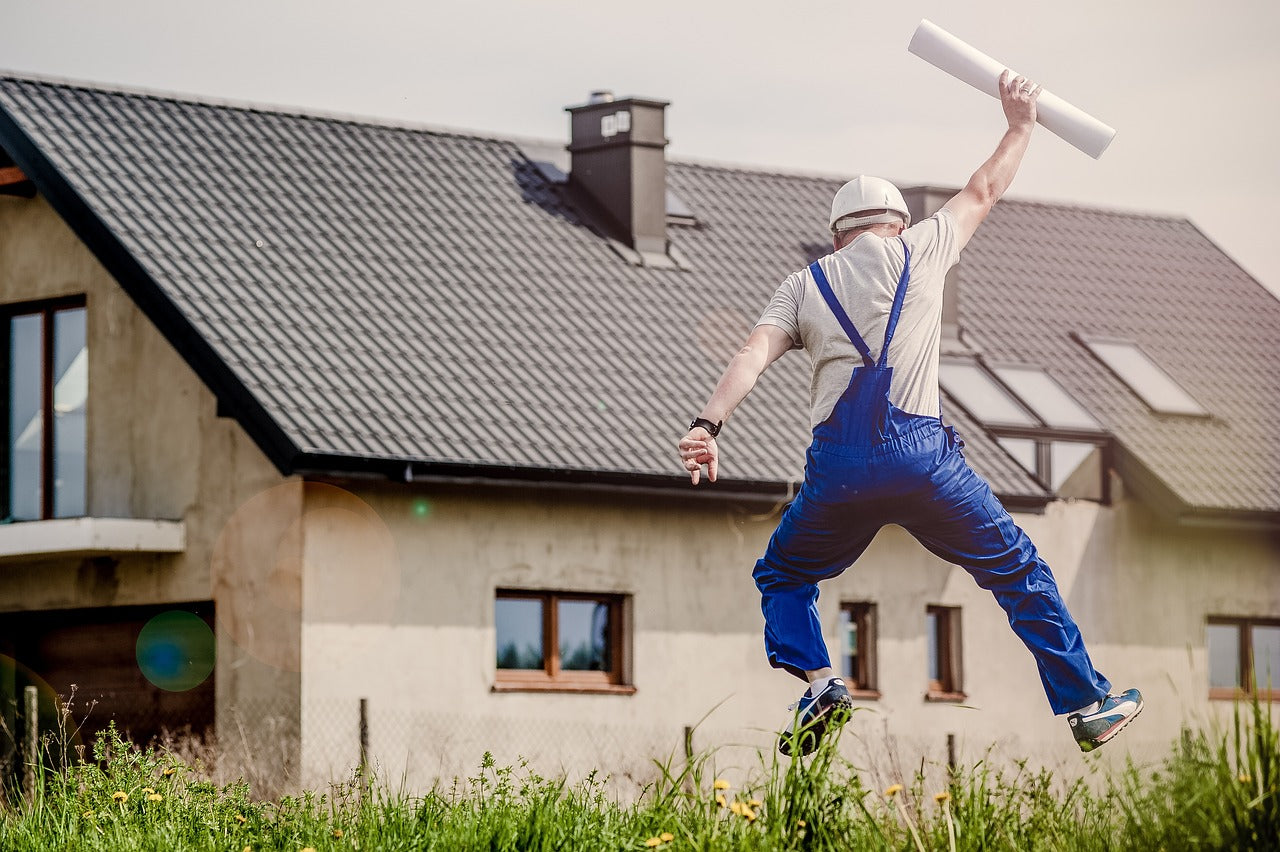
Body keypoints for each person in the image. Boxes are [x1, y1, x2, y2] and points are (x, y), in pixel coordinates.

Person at [677, 71, 1142, 757]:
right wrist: (1020, 124)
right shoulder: (921, 248)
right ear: (895, 222)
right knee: (1016, 571)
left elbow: (751, 353)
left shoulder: (803, 284)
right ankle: (1087, 704)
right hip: (925, 463)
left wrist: (707, 426)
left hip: (838, 474)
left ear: (837, 236)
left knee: (783, 574)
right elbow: (985, 189)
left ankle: (821, 684)